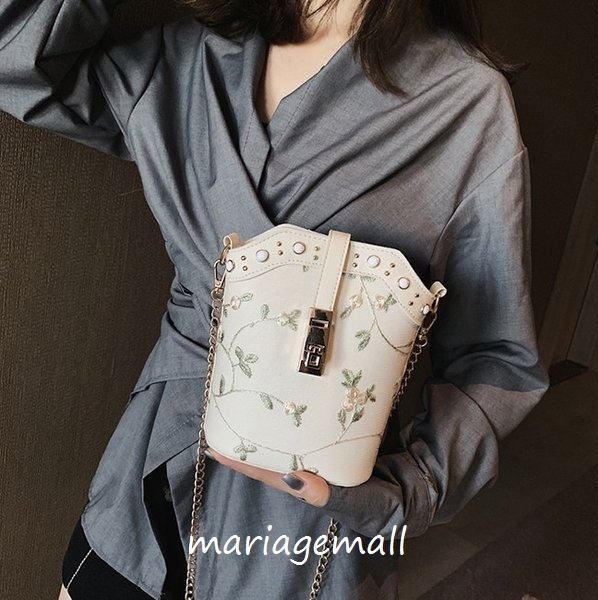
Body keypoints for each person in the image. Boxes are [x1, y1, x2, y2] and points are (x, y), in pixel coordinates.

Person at [0, 0, 549, 598]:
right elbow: (19, 58)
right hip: (144, 494)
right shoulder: (186, 58)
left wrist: (407, 490)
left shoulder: (464, 103)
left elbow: (494, 357)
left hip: (306, 537)